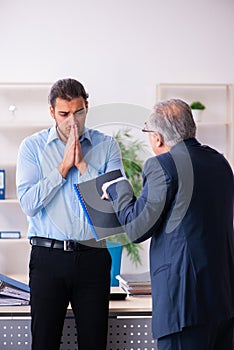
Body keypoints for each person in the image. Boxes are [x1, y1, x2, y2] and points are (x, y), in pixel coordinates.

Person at [102, 98, 234, 350]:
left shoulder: (163, 165)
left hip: (184, 306)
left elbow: (137, 228)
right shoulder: (220, 162)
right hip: (223, 300)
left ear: (158, 138)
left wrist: (119, 188)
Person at [16, 78, 124, 350]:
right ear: (52, 112)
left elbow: (114, 207)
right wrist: (62, 169)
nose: (72, 121)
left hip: (93, 259)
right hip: (47, 259)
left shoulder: (107, 146)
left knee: (94, 344)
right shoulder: (32, 147)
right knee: (44, 343)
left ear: (87, 107)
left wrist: (84, 166)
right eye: (64, 114)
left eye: (78, 112)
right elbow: (28, 203)